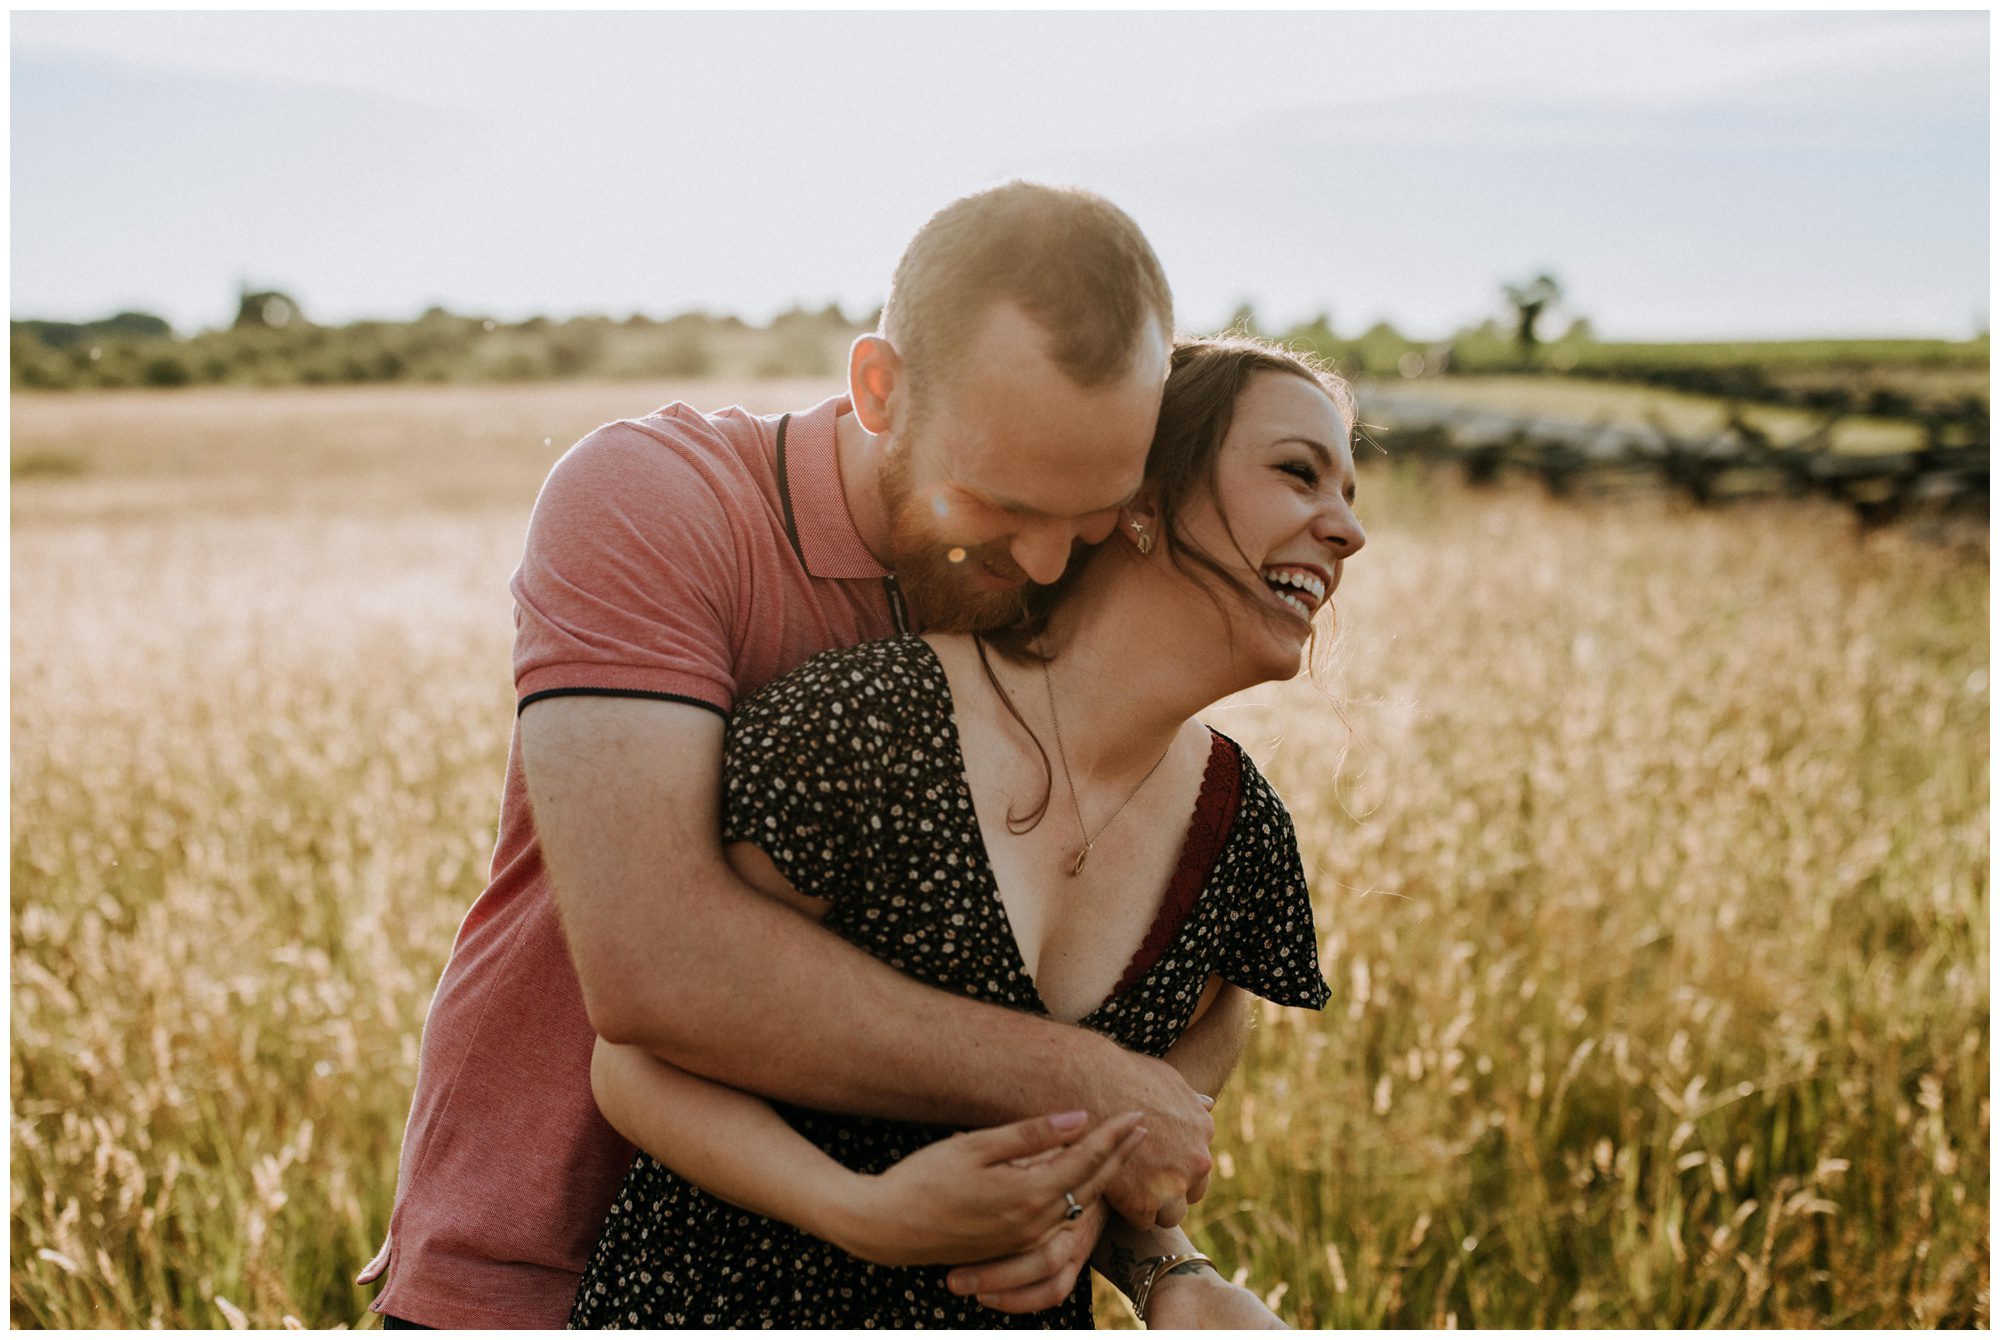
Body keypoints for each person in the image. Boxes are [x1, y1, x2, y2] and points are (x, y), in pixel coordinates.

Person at [361, 182, 1236, 1330]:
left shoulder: (1057, 590)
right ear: (878, 387)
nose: (1034, 561)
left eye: (1085, 516)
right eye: (993, 503)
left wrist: (1102, 1202)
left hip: (859, 1291)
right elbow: (655, 965)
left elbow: (1116, 937)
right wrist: (1080, 1085)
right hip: (535, 1265)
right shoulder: (654, 501)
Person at [568, 335, 1366, 1328]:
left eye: (1348, 490)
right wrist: (858, 1210)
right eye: (1297, 472)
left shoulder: (1238, 832)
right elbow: (636, 1054)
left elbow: (1157, 1108)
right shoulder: (872, 719)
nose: (1347, 531)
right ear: (1143, 498)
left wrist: (1176, 1275)